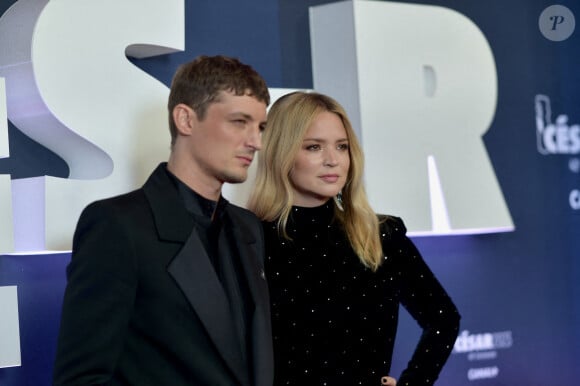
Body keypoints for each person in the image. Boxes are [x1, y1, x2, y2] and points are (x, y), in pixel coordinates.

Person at [53, 55, 274, 386]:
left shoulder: (247, 228)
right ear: (185, 119)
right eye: (239, 122)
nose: (255, 142)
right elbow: (82, 378)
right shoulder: (117, 226)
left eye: (260, 128)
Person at [247, 91, 460, 386]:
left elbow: (444, 318)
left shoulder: (381, 236)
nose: (333, 160)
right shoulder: (249, 239)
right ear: (281, 152)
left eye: (342, 146)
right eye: (313, 147)